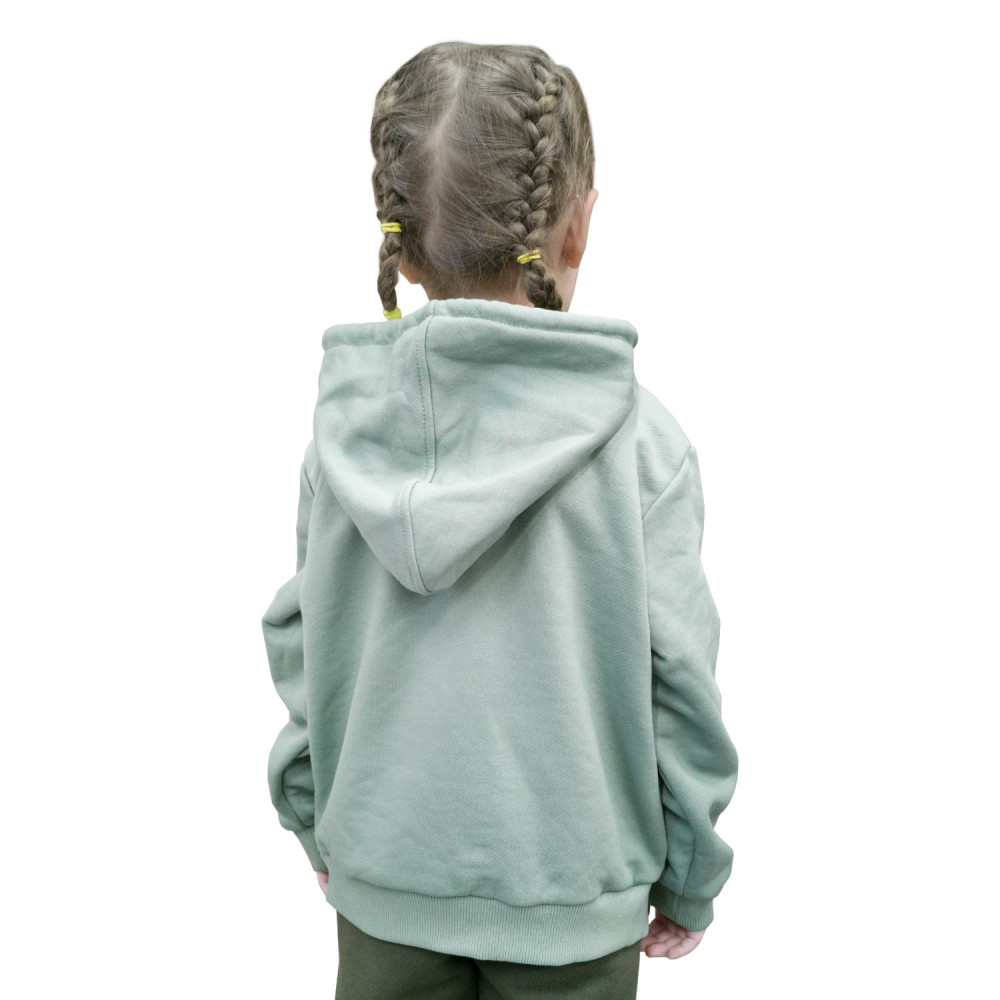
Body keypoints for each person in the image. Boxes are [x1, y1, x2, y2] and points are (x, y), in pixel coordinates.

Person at [262, 41, 739, 1000]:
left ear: (398, 240)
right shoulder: (642, 447)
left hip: (383, 885)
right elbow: (680, 679)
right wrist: (692, 870)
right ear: (578, 226)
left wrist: (317, 822)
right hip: (574, 902)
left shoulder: (342, 437)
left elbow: (299, 642)